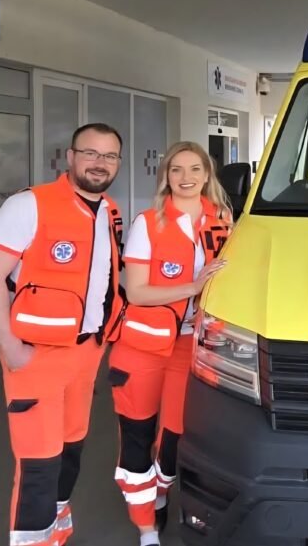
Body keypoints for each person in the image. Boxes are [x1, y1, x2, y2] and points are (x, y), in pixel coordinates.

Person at [0, 123, 126, 546]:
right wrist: (11, 348)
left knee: (70, 450)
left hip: (86, 353)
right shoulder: (29, 205)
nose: (99, 163)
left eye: (109, 156)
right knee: (38, 464)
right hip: (35, 355)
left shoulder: (108, 211)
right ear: (71, 157)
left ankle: (55, 535)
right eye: (90, 153)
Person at [109, 141, 231, 546]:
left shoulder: (224, 222)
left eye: (195, 169)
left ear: (207, 174)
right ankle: (146, 528)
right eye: (176, 169)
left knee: (177, 433)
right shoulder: (149, 223)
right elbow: (137, 292)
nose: (186, 177)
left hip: (191, 345)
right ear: (166, 176)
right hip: (142, 346)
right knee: (138, 435)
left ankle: (160, 490)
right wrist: (192, 287)